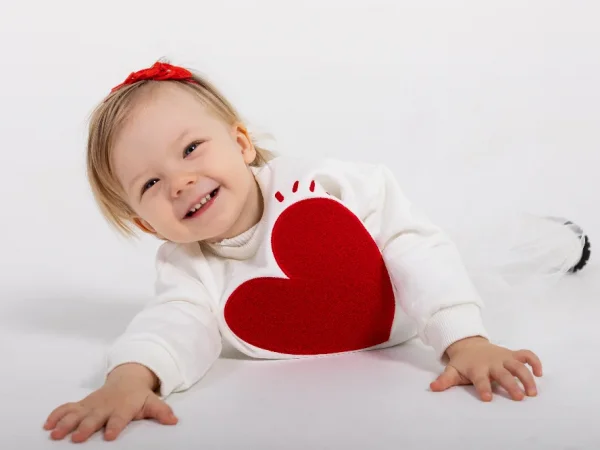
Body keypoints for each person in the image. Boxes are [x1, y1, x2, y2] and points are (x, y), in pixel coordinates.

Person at [43, 61, 591, 443]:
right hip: (349, 329)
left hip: (409, 292)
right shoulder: (188, 269)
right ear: (146, 224)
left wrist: (465, 339)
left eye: (191, 149)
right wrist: (131, 379)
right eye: (150, 184)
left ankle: (559, 242)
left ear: (240, 144)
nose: (180, 181)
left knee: (476, 261)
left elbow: (413, 244)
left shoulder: (326, 186)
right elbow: (173, 322)